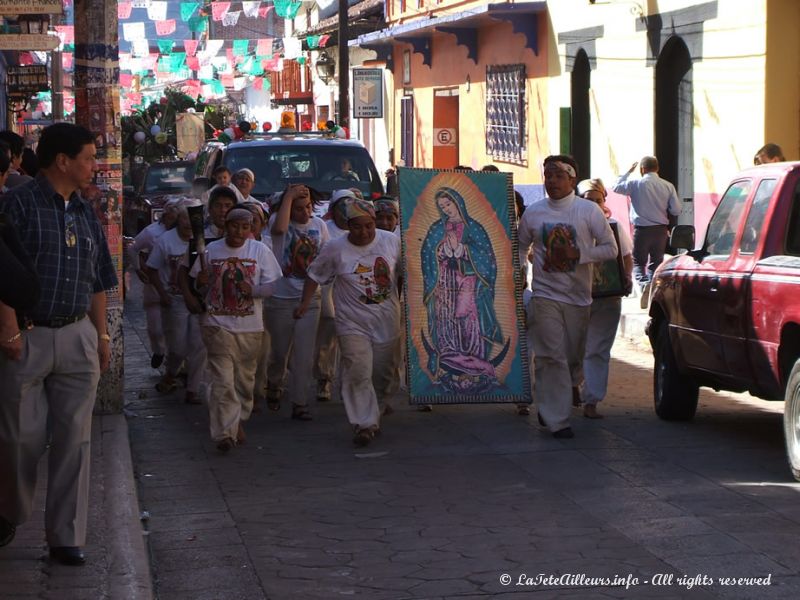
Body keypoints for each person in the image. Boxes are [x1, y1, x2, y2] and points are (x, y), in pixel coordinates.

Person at [0, 123, 117, 565]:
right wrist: (8, 326)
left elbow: (100, 277)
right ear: (62, 161)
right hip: (26, 336)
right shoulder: (19, 204)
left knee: (75, 440)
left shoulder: (85, 210)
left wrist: (101, 334)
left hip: (77, 335)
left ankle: (66, 536)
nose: (94, 167)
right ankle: (10, 510)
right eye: (88, 158)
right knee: (19, 439)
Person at [518, 155, 617, 439]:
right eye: (548, 175)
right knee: (551, 356)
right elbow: (520, 246)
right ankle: (556, 418)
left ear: (572, 180)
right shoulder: (534, 213)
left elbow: (610, 248)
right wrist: (520, 274)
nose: (552, 181)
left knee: (572, 357)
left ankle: (559, 393)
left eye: (559, 175)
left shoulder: (589, 211)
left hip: (579, 298)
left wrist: (580, 254)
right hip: (545, 295)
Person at [295, 199, 402, 447]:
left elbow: (408, 272)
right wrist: (304, 303)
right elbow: (314, 275)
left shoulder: (391, 241)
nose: (363, 232)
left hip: (387, 320)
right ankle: (364, 424)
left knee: (384, 373)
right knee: (357, 370)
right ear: (347, 225)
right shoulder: (335, 248)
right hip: (352, 323)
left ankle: (378, 404)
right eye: (357, 227)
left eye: (368, 226)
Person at [191, 208, 282, 452]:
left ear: (252, 228)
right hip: (216, 325)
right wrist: (200, 283)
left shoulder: (260, 251)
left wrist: (251, 290)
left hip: (250, 327)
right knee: (222, 379)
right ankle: (224, 434)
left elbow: (272, 285)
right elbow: (198, 287)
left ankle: (237, 420)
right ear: (225, 225)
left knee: (243, 381)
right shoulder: (210, 251)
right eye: (234, 226)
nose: (238, 232)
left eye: (245, 227)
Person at [421, 186, 502, 394]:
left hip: (468, 282)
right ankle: (450, 365)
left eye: (448, 204)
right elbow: (427, 254)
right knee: (446, 321)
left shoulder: (474, 228)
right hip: (445, 284)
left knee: (469, 320)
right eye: (442, 206)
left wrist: (463, 250)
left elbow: (487, 258)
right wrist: (441, 251)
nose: (446, 209)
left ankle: (474, 367)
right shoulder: (436, 228)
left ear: (458, 202)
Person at [266, 184, 329, 420]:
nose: (305, 213)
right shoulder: (278, 221)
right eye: (299, 208)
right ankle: (274, 382)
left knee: (304, 354)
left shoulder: (319, 225)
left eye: (309, 207)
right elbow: (280, 229)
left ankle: (299, 402)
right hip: (280, 299)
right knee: (280, 352)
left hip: (310, 298)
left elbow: (324, 258)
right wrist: (289, 197)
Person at [575, 178, 633, 419]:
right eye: (589, 201)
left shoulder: (615, 227)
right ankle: (571, 384)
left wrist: (626, 278)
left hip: (608, 297)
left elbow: (626, 257)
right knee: (575, 346)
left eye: (598, 200)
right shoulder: (570, 225)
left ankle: (591, 400)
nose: (595, 205)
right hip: (576, 295)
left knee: (598, 349)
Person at [146, 201, 207, 404]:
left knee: (199, 346)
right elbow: (152, 269)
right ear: (178, 220)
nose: (189, 223)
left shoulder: (203, 240)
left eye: (192, 219)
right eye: (184, 218)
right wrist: (162, 294)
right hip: (176, 300)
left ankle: (193, 389)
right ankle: (171, 372)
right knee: (178, 347)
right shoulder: (165, 240)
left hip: (198, 300)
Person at [611, 155, 681, 286]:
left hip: (642, 231)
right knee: (656, 263)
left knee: (638, 262)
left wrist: (628, 172)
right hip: (660, 231)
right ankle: (652, 287)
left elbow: (616, 187)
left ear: (642, 169)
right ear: (657, 168)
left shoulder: (635, 184)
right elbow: (676, 210)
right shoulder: (668, 186)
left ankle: (643, 286)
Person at [313, 189, 354, 403]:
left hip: (354, 291)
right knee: (328, 333)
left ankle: (350, 386)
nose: (346, 212)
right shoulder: (325, 230)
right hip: (330, 288)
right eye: (342, 207)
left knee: (352, 339)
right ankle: (324, 378)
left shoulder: (360, 230)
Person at [129, 199, 180, 369]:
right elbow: (132, 247)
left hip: (175, 287)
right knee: (155, 328)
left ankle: (175, 365)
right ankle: (158, 351)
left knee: (176, 330)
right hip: (154, 285)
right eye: (170, 218)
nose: (172, 222)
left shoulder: (183, 234)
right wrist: (138, 268)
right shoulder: (152, 232)